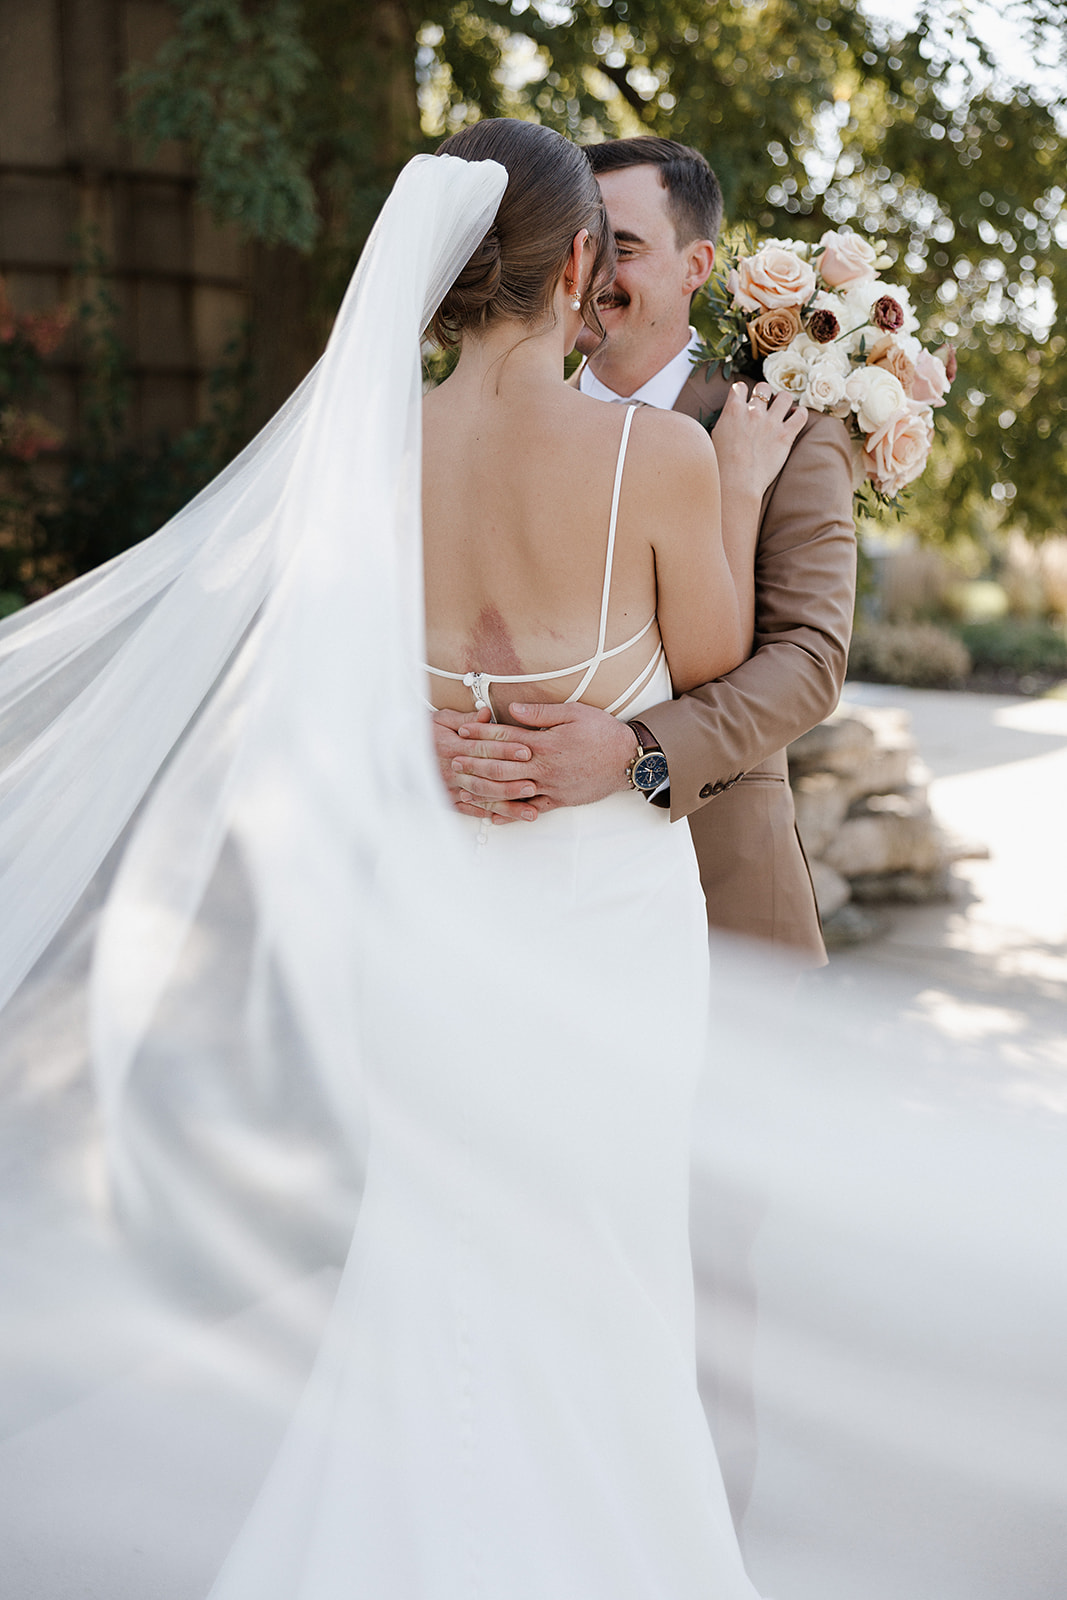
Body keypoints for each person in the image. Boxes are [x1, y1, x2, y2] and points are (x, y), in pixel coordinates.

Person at [433, 136, 857, 964]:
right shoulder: (481, 432)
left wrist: (639, 756)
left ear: (696, 264)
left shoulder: (788, 421)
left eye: (619, 246)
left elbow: (809, 659)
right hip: (491, 891)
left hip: (721, 877)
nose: (594, 274)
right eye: (584, 243)